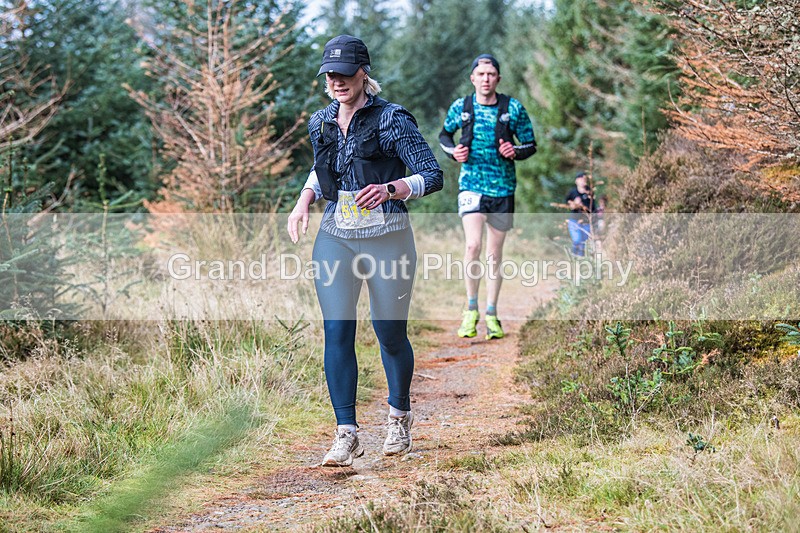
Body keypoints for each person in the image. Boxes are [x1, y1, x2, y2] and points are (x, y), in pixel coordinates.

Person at [287, 35, 443, 467]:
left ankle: (398, 417)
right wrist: (304, 199)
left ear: (363, 73)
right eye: (330, 75)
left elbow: (432, 174)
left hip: (388, 235)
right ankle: (347, 433)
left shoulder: (392, 118)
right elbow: (325, 172)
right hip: (336, 234)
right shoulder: (320, 122)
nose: (337, 81)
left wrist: (393, 187)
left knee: (388, 332)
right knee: (337, 329)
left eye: (344, 73)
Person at [438, 54, 537, 340]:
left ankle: (492, 313)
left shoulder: (513, 108)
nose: (486, 79)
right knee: (472, 246)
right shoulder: (462, 107)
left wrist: (515, 152)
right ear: (473, 78)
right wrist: (454, 152)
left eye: (491, 74)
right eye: (480, 74)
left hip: (503, 188)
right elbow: (444, 136)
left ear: (498, 79)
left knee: (494, 255)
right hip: (471, 185)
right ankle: (471, 309)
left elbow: (530, 144)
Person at [565, 171, 597, 256]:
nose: (583, 181)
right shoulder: (572, 192)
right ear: (576, 181)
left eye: (584, 179)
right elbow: (567, 203)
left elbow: (593, 208)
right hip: (574, 221)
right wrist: (573, 204)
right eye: (581, 179)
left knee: (583, 244)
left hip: (586, 222)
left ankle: (580, 262)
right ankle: (574, 258)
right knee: (577, 240)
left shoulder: (589, 192)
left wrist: (582, 206)